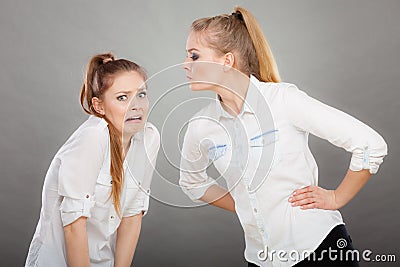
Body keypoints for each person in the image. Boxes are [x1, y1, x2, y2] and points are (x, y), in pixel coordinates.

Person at [179, 6, 387, 267]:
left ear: (226, 61)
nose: (185, 65)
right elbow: (192, 183)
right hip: (260, 259)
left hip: (321, 251)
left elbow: (370, 144)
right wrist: (246, 206)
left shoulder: (283, 101)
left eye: (194, 56)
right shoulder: (201, 126)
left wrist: (337, 198)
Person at [25, 53, 160, 267]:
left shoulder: (149, 137)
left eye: (141, 94)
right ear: (99, 106)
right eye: (122, 97)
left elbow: (133, 216)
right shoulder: (93, 137)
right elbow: (73, 226)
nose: (137, 106)